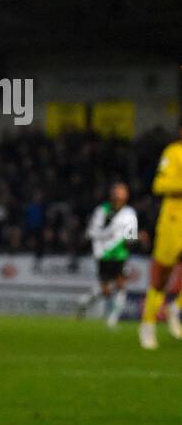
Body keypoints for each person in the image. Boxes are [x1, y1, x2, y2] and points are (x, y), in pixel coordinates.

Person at [138, 123, 182, 349]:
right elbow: (159, 184)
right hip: (175, 218)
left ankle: (175, 308)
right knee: (162, 276)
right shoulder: (173, 152)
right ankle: (148, 324)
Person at [76, 181, 136, 327]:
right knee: (106, 290)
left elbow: (131, 235)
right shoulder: (102, 210)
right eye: (118, 191)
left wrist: (131, 241)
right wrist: (106, 234)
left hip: (121, 254)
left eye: (123, 191)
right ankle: (86, 300)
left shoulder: (129, 213)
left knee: (121, 284)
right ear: (112, 194)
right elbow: (92, 232)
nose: (120, 194)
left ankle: (112, 319)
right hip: (104, 254)